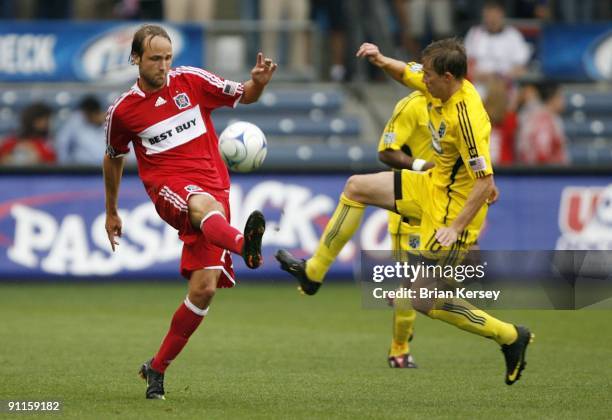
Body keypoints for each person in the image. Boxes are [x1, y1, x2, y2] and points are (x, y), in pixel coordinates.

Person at [276, 38, 533, 385]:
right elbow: (406, 73)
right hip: (430, 185)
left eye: (428, 75)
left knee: (422, 299)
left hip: (452, 211)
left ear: (446, 76)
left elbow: (485, 184)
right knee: (356, 187)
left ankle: (510, 336)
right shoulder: (440, 86)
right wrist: (381, 59)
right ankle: (313, 272)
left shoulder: (467, 116)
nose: (422, 79)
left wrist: (456, 228)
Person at [103, 24, 276, 400]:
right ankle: (243, 244)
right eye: (154, 59)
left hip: (216, 186)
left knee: (204, 289)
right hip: (170, 188)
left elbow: (245, 95)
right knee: (203, 206)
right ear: (135, 59)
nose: (163, 66)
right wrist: (112, 210)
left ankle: (156, 369)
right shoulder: (124, 111)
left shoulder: (192, 81)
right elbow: (114, 157)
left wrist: (258, 82)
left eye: (167, 58)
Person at [376, 91, 435, 369]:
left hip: (440, 209)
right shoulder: (412, 106)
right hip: (409, 210)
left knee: (449, 279)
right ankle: (399, 350)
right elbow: (387, 152)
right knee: (413, 288)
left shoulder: (459, 105)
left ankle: (401, 302)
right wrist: (422, 166)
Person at [464, 0, 530, 99]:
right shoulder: (474, 33)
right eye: (488, 16)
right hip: (478, 86)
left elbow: (522, 69)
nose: (491, 20)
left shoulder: (513, 35)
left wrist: (500, 77)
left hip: (506, 87)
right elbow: (465, 64)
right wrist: (477, 75)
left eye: (494, 16)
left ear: (501, 15)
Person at [516, 82, 569, 165]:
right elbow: (542, 154)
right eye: (560, 96)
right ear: (552, 98)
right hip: (544, 174)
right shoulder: (543, 121)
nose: (563, 101)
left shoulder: (548, 117)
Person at [56, 95, 106, 165]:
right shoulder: (76, 121)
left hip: (104, 169)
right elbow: (62, 142)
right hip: (80, 170)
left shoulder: (111, 124)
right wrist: (63, 165)